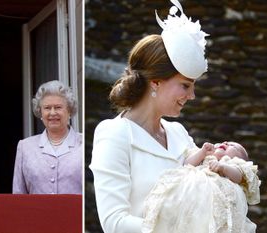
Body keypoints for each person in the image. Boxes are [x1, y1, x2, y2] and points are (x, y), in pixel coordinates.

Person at [89, 0, 210, 232]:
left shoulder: (178, 133)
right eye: (185, 86)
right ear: (155, 82)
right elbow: (114, 222)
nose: (192, 96)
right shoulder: (114, 133)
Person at [142, 141, 260, 233]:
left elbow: (238, 176)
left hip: (213, 201)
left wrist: (223, 167)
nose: (225, 143)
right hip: (190, 195)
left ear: (239, 158)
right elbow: (186, 164)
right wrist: (202, 152)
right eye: (224, 142)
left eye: (233, 146)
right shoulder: (206, 158)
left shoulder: (233, 164)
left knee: (212, 222)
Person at [12, 80, 82, 194]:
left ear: (69, 111)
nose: (52, 113)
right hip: (36, 212)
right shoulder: (25, 147)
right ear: (40, 112)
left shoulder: (83, 144)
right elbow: (18, 194)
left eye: (58, 107)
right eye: (47, 108)